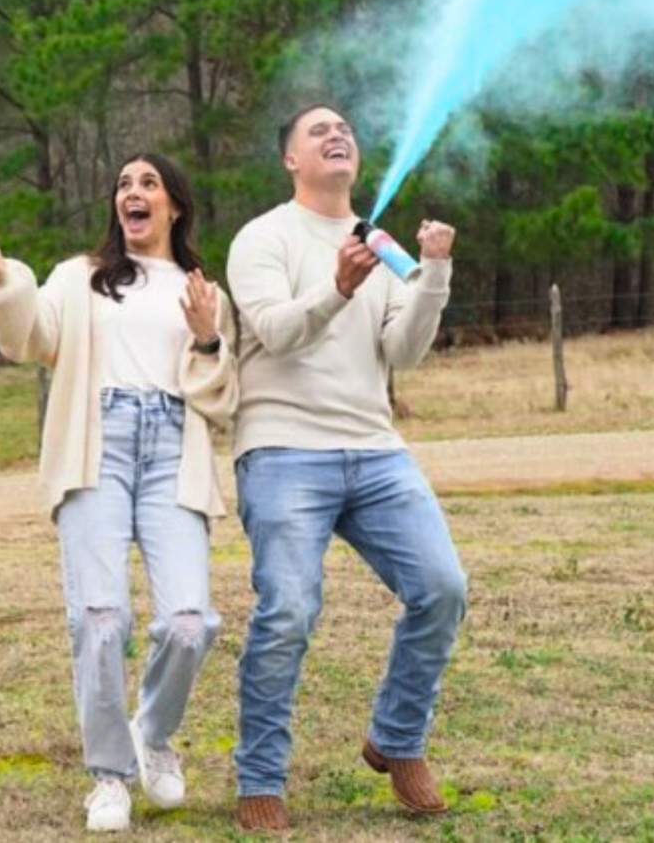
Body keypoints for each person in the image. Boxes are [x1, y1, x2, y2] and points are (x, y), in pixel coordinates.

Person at [0, 153, 237, 834]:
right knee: (100, 617)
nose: (133, 193)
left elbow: (221, 400)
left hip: (174, 451)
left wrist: (207, 333)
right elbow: (33, 337)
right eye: (123, 184)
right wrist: (1, 271)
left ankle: (153, 729)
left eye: (148, 184)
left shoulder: (204, 290)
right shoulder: (77, 278)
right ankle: (109, 776)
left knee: (188, 620)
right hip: (98, 448)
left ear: (174, 204)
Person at [226, 103, 468, 832]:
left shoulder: (381, 244)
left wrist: (432, 272)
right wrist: (335, 286)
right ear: (290, 160)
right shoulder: (261, 237)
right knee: (289, 610)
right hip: (280, 449)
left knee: (442, 587)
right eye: (317, 131)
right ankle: (260, 778)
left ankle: (397, 739)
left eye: (345, 130)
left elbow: (404, 352)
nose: (337, 136)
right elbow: (274, 331)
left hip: (374, 450)